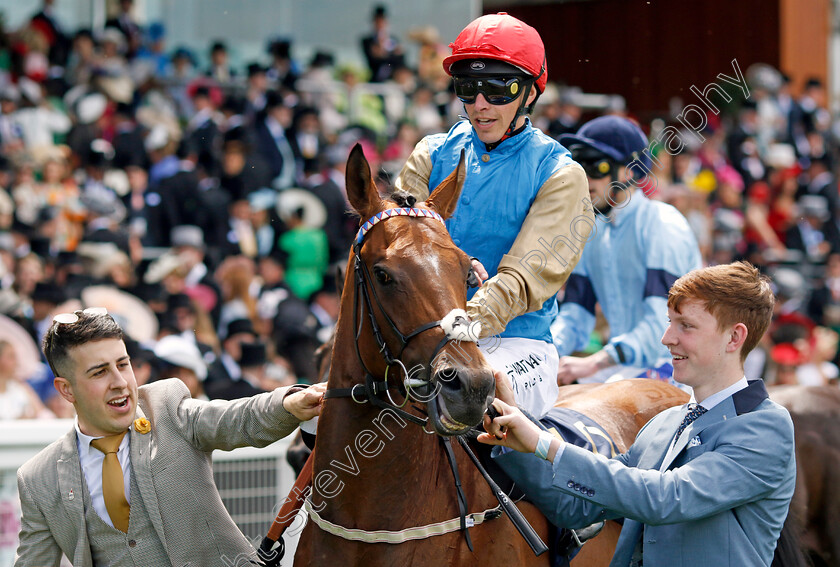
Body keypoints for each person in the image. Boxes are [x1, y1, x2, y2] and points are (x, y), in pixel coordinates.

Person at [479, 261, 795, 567]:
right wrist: (512, 426)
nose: (667, 338)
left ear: (734, 337)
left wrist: (542, 442)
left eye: (686, 325)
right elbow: (574, 507)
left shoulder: (766, 426)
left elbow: (666, 498)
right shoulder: (665, 423)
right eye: (670, 322)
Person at [15, 308, 325, 566]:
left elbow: (234, 418)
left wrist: (289, 404)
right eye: (99, 372)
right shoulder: (38, 479)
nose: (120, 382)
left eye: (123, 365)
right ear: (65, 389)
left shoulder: (166, 404)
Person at [394, 12, 592, 418]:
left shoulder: (561, 174)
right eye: (467, 88)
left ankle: (532, 480)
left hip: (517, 344)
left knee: (467, 397)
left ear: (530, 93)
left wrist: (462, 324)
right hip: (426, 338)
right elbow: (398, 249)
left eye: (498, 90)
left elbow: (523, 279)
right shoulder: (431, 153)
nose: (480, 104)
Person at [551, 116, 702, 385]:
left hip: (677, 365)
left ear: (630, 171)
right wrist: (545, 354)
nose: (585, 178)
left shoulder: (662, 223)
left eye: (596, 166)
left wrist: (594, 361)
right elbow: (576, 314)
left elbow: (663, 327)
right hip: (623, 366)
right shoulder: (591, 230)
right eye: (578, 166)